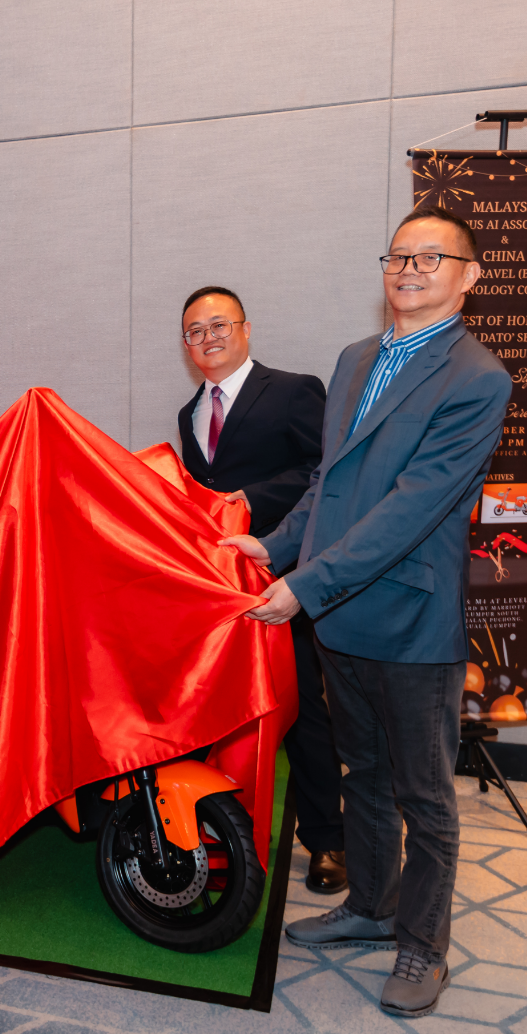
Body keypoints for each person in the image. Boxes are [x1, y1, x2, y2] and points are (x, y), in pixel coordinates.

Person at [222, 207, 511, 1018]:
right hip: (341, 616)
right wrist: (274, 546)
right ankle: (372, 907)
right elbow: (331, 482)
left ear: (469, 277)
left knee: (425, 794)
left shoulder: (478, 378)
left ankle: (423, 944)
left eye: (430, 257)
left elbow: (413, 506)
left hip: (410, 620)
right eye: (398, 256)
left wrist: (306, 584)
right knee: (365, 777)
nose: (408, 269)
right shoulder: (356, 358)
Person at [175, 286, 347, 894]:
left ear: (246, 329)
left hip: (285, 573)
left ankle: (328, 840)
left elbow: (325, 470)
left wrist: (252, 499)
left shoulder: (294, 390)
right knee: (224, 703)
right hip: (223, 584)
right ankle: (222, 828)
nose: (208, 338)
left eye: (219, 325)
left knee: (301, 707)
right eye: (195, 331)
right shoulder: (189, 414)